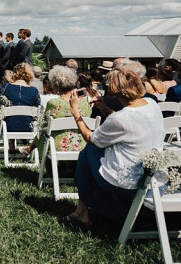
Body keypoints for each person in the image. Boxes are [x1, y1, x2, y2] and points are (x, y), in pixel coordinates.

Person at [64, 68, 164, 228]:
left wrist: (76, 113)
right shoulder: (152, 104)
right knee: (96, 153)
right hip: (157, 179)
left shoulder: (120, 118)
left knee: (87, 151)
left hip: (129, 182)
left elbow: (91, 138)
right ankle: (91, 208)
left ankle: (82, 211)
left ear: (115, 92)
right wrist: (104, 107)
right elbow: (129, 123)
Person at [19, 66, 91, 158]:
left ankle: (34, 154)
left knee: (43, 132)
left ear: (56, 85)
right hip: (83, 145)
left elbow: (44, 126)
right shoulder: (86, 101)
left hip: (58, 146)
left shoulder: (54, 103)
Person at [0, 63, 41, 132]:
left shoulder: (5, 87)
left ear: (14, 73)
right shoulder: (34, 91)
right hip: (29, 127)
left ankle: (11, 142)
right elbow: (37, 108)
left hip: (8, 126)